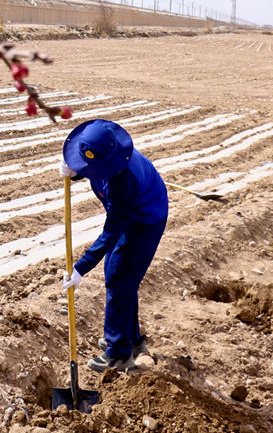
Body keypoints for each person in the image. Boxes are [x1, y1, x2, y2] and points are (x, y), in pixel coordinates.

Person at [59, 119, 168, 372]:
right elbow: (92, 166)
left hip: (145, 220)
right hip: (130, 213)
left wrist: (80, 268)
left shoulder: (122, 181)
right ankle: (131, 340)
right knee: (117, 275)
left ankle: (119, 354)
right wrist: (75, 172)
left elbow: (112, 231)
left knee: (120, 280)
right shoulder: (105, 155)